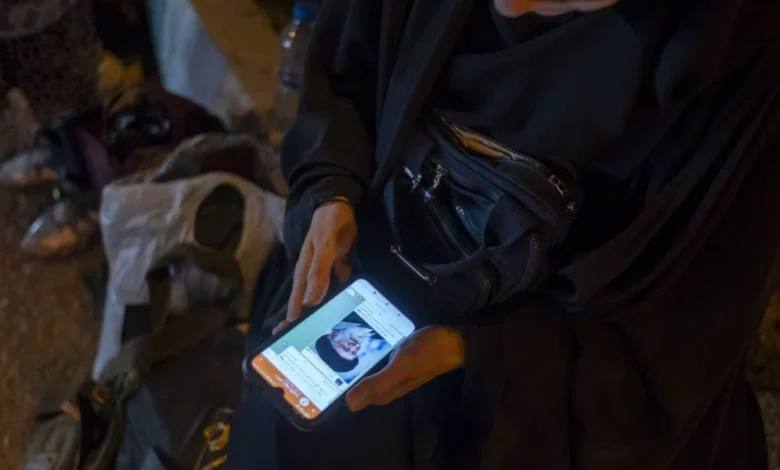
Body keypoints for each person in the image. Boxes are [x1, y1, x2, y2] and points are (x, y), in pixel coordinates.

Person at [228, 1, 780, 469]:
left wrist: (479, 357)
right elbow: (346, 77)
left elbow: (670, 356)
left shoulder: (739, 75)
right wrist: (332, 187)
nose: (511, 8)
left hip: (556, 398)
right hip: (375, 281)